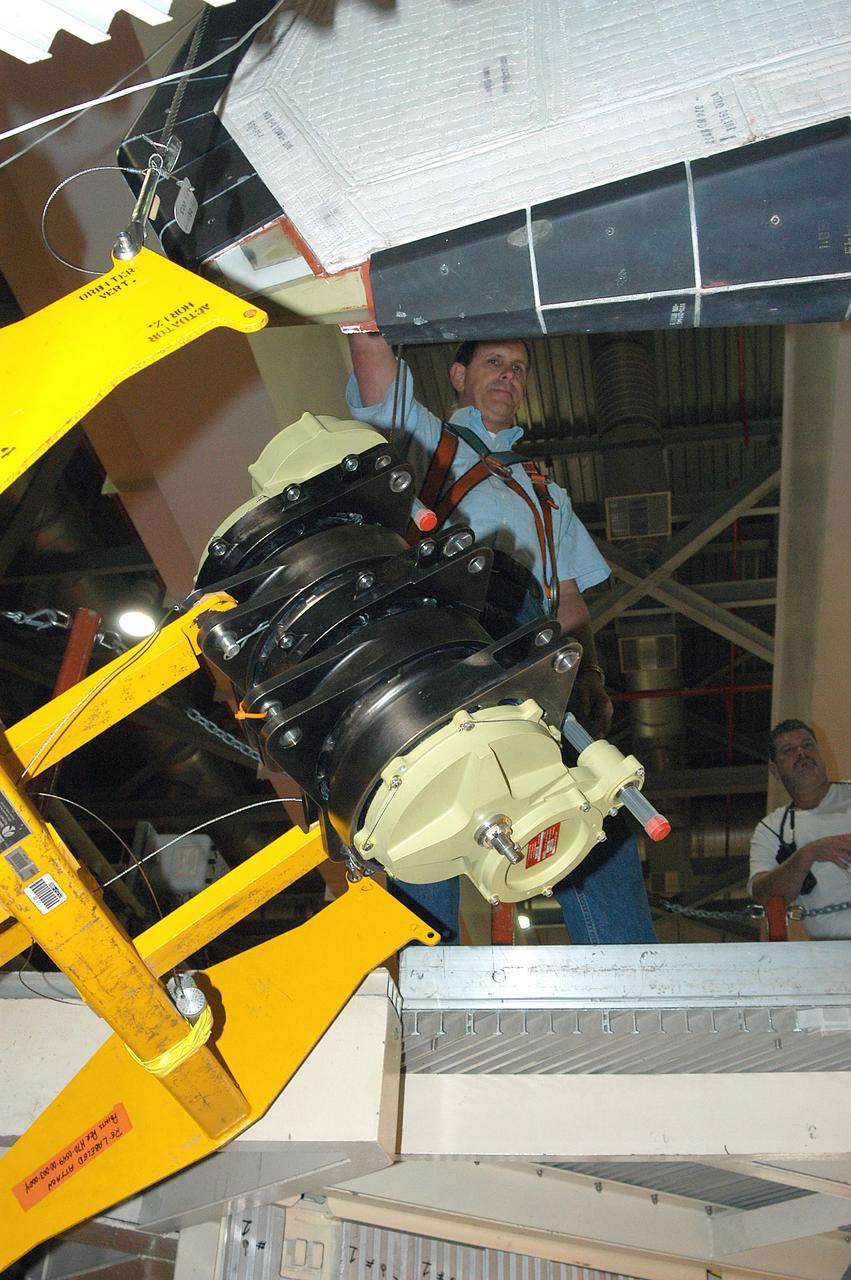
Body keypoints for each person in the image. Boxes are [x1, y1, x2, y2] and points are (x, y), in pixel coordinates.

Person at [346, 332, 656, 945]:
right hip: (448, 620)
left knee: (589, 793)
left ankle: (625, 963)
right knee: (425, 782)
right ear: (458, 376)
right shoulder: (429, 442)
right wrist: (363, 312)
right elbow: (378, 377)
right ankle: (430, 970)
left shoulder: (548, 490)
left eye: (518, 368)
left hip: (533, 634)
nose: (508, 376)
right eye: (494, 363)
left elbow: (567, 597)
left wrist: (585, 674)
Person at [749, 719, 851, 940]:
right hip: (829, 959)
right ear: (774, 770)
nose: (802, 753)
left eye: (808, 745)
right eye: (789, 750)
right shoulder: (772, 828)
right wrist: (807, 854)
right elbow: (761, 892)